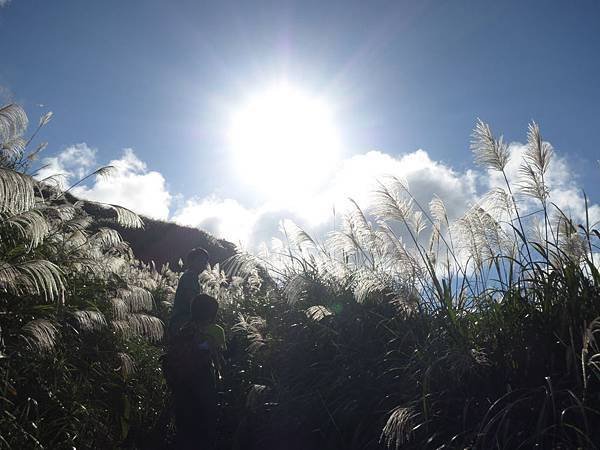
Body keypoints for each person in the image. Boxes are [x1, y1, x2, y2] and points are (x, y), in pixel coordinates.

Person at [167, 294, 226, 450]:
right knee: (201, 435)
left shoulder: (183, 331)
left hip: (180, 392)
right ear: (211, 316)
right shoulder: (208, 336)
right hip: (200, 393)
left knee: (184, 434)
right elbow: (214, 356)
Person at [169, 247, 209, 336]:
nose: (204, 264)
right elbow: (192, 300)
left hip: (181, 322)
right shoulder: (190, 276)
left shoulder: (190, 276)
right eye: (201, 260)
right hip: (182, 323)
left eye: (205, 262)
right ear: (191, 261)